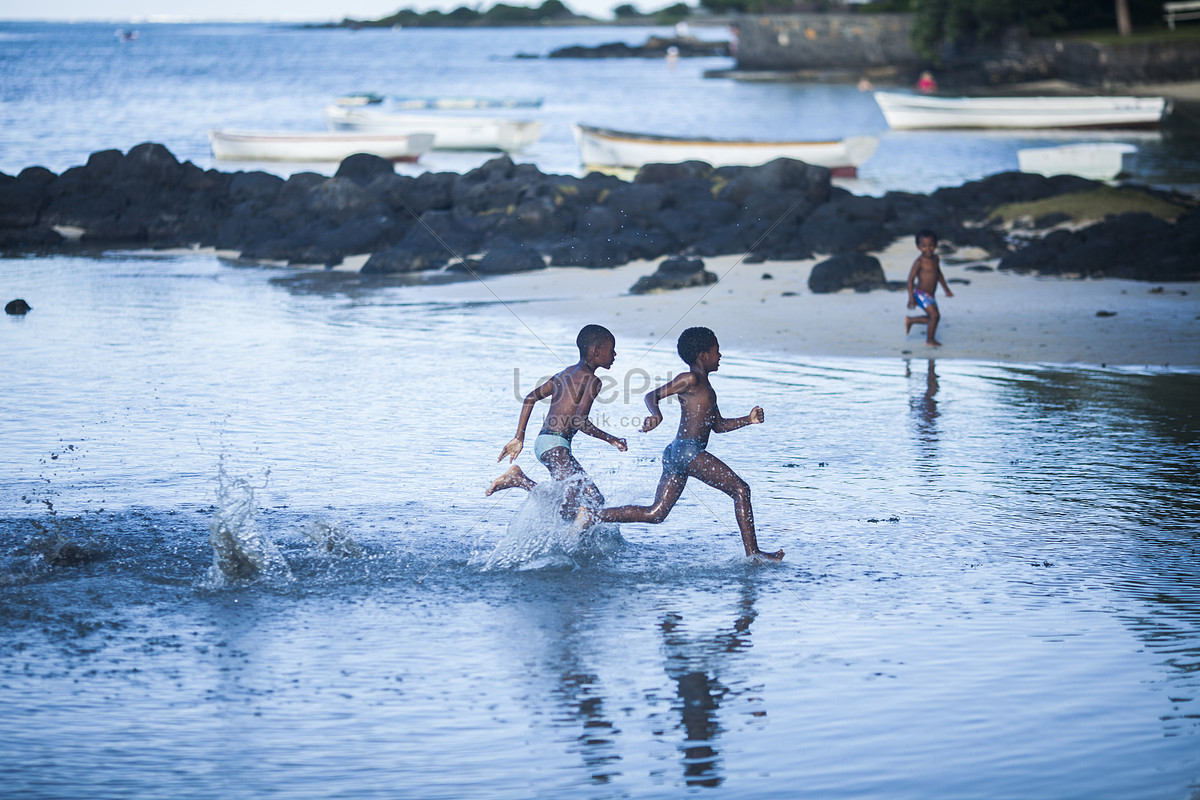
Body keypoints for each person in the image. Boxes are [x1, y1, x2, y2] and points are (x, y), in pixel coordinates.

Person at [580, 327, 784, 562]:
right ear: (702, 355)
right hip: (687, 452)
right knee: (741, 490)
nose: (720, 357)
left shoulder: (707, 388)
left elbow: (717, 425)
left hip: (677, 454)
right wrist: (656, 416)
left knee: (655, 513)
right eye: (716, 352)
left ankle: (593, 515)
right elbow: (651, 396)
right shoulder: (691, 379)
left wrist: (748, 420)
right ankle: (754, 554)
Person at [485, 324, 627, 519]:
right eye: (611, 350)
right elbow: (579, 421)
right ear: (596, 351)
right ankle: (518, 480)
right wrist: (612, 439)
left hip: (546, 443)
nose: (615, 354)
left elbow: (529, 398)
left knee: (584, 502)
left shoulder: (563, 374)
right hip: (555, 446)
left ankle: (519, 480)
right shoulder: (592, 381)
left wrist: (519, 437)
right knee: (581, 503)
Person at [906, 228, 954, 348]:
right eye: (924, 246)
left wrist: (946, 289)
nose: (928, 249)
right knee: (934, 316)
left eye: (931, 245)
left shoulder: (935, 259)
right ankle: (930, 340)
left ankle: (911, 321)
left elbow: (939, 274)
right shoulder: (919, 262)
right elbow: (910, 281)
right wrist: (911, 298)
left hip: (930, 295)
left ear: (936, 245)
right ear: (918, 247)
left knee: (933, 318)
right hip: (920, 294)